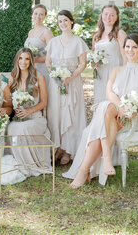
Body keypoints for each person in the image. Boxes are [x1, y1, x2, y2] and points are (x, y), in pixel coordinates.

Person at [63, 33, 138, 188]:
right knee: (106, 106)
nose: (130, 50)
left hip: (133, 115)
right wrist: (120, 107)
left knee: (102, 114)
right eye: (127, 46)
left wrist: (131, 107)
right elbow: (109, 94)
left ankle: (84, 171)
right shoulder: (117, 70)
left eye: (134, 47)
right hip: (115, 111)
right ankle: (105, 160)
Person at [45, 9, 88, 165]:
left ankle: (69, 150)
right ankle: (57, 147)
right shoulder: (53, 42)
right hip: (56, 84)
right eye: (60, 21)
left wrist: (70, 77)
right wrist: (55, 76)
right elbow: (48, 63)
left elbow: (83, 64)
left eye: (65, 20)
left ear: (71, 21)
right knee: (56, 114)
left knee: (72, 113)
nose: (62, 23)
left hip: (72, 83)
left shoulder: (78, 42)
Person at [7, 48, 52, 176]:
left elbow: (44, 102)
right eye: (21, 58)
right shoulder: (12, 79)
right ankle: (21, 164)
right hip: (19, 118)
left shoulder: (39, 77)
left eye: (27, 59)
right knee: (12, 128)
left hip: (35, 118)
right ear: (17, 60)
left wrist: (28, 111)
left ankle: (31, 165)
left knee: (24, 128)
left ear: (31, 61)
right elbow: (10, 102)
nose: (23, 62)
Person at [92, 5, 127, 104]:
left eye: (112, 15)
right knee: (100, 98)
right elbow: (93, 55)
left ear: (116, 18)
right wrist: (93, 64)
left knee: (113, 101)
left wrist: (122, 75)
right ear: (101, 15)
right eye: (106, 14)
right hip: (100, 73)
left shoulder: (120, 34)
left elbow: (125, 56)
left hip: (114, 72)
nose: (108, 18)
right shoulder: (96, 36)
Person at [24, 4, 53, 85]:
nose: (38, 16)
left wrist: (34, 60)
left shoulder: (47, 32)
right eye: (36, 13)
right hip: (30, 69)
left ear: (45, 16)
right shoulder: (30, 32)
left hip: (42, 69)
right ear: (32, 14)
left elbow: (53, 54)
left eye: (41, 14)